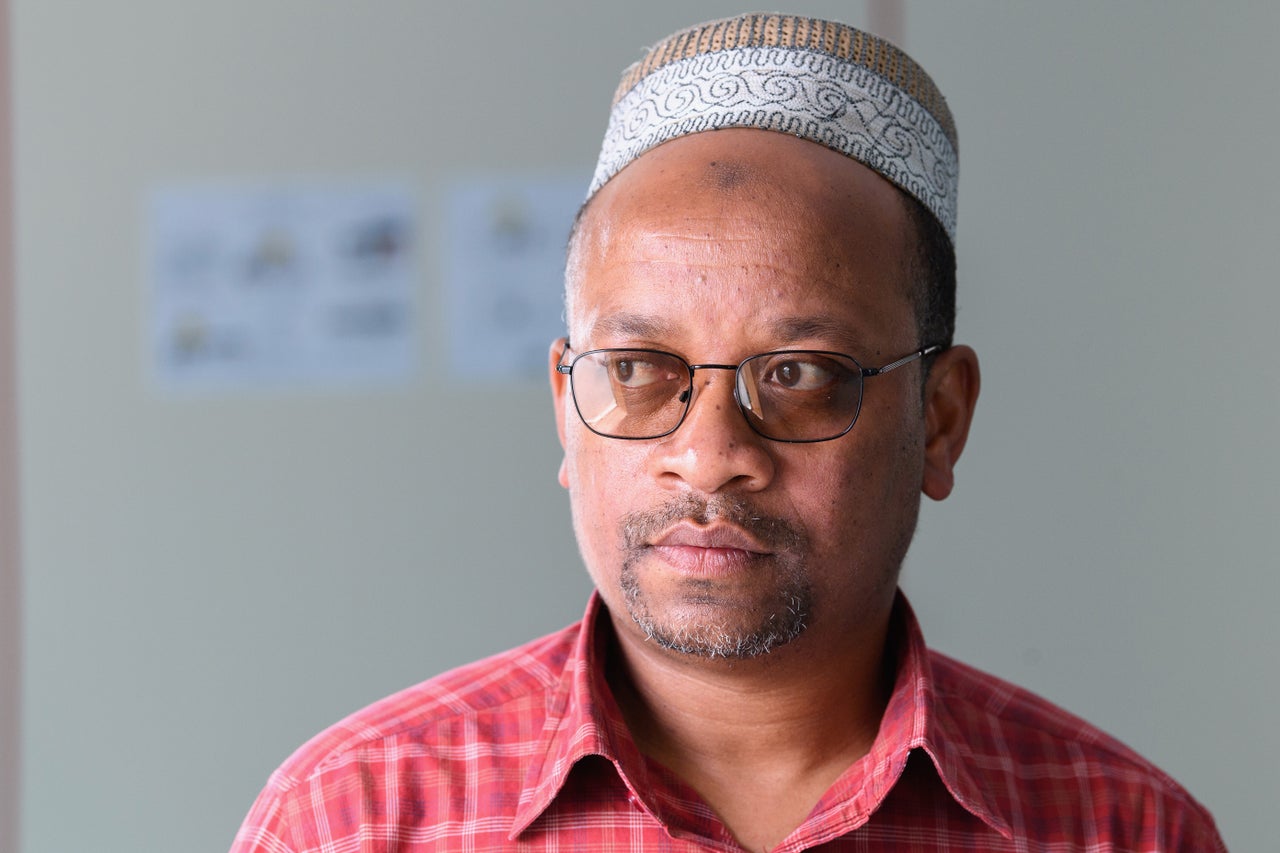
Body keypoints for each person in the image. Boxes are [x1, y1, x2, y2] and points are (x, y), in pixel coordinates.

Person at [231, 13, 1226, 852]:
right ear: (564, 410)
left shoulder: (1117, 827)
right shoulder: (357, 820)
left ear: (940, 419)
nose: (708, 454)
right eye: (634, 371)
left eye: (795, 375)